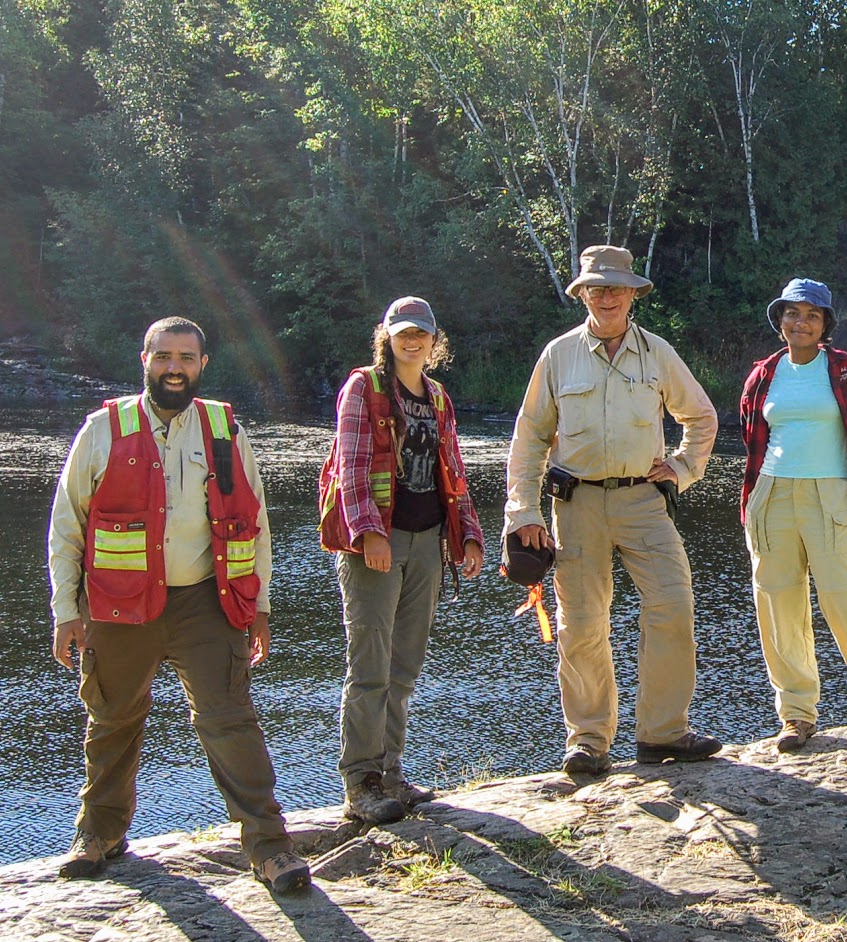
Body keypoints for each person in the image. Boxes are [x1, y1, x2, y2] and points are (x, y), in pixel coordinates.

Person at [47, 317, 311, 892]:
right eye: (163, 356)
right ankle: (99, 832)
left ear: (202, 365)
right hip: (117, 607)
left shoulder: (225, 428)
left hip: (207, 603)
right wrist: (67, 611)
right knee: (111, 718)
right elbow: (68, 525)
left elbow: (256, 523)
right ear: (144, 359)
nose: (174, 368)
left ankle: (269, 846)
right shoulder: (103, 428)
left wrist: (259, 606)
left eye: (186, 358)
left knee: (231, 721)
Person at [505, 245, 720, 775]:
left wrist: (683, 468)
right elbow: (529, 437)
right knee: (581, 624)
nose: (607, 296)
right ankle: (588, 741)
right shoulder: (558, 355)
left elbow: (701, 416)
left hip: (644, 501)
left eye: (616, 288)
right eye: (596, 288)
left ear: (633, 295)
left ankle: (663, 732)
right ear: (582, 294)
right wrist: (522, 512)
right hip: (575, 506)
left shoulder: (659, 353)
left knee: (672, 606)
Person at [319, 297, 485, 823]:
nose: (412, 341)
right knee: (369, 668)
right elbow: (352, 466)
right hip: (378, 543)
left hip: (428, 541)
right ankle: (361, 783)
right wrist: (369, 533)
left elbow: (453, 471)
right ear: (386, 337)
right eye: (402, 332)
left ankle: (391, 773)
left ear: (435, 341)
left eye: (422, 333)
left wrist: (470, 536)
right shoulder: (363, 388)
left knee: (404, 667)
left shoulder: (437, 397)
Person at [739, 279, 847, 753]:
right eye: (792, 314)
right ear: (780, 322)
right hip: (772, 494)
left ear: (825, 326)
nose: (800, 322)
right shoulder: (763, 375)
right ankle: (796, 716)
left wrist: (844, 488)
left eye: (811, 315)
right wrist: (761, 494)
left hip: (832, 495)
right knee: (779, 608)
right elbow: (751, 436)